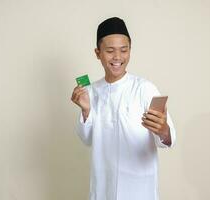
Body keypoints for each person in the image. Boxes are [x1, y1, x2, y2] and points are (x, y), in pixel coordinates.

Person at [71, 17, 176, 200]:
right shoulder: (91, 91)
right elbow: (87, 139)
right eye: (110, 51)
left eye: (124, 50)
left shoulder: (145, 88)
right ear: (98, 53)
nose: (117, 57)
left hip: (139, 188)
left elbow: (167, 139)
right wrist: (86, 111)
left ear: (130, 51)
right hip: (104, 186)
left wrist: (164, 130)